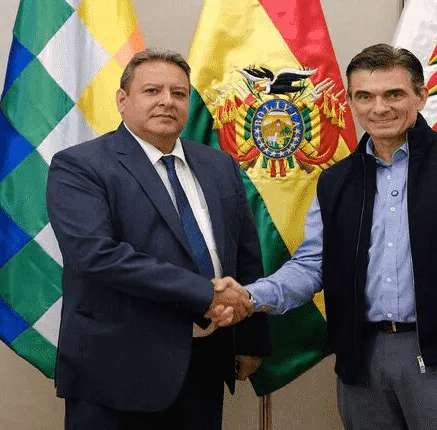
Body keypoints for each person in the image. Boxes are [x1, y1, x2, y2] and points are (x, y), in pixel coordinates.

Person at [213, 43, 437, 429]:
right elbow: (310, 266)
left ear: (421, 96)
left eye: (394, 94)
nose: (379, 108)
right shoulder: (336, 182)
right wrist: (251, 296)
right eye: (365, 96)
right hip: (362, 361)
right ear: (350, 102)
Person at [46, 48, 270, 430]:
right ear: (122, 100)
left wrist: (250, 339)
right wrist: (205, 293)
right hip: (116, 371)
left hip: (203, 363)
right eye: (152, 91)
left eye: (178, 93)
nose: (167, 101)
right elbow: (96, 255)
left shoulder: (219, 165)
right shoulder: (81, 165)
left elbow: (244, 252)